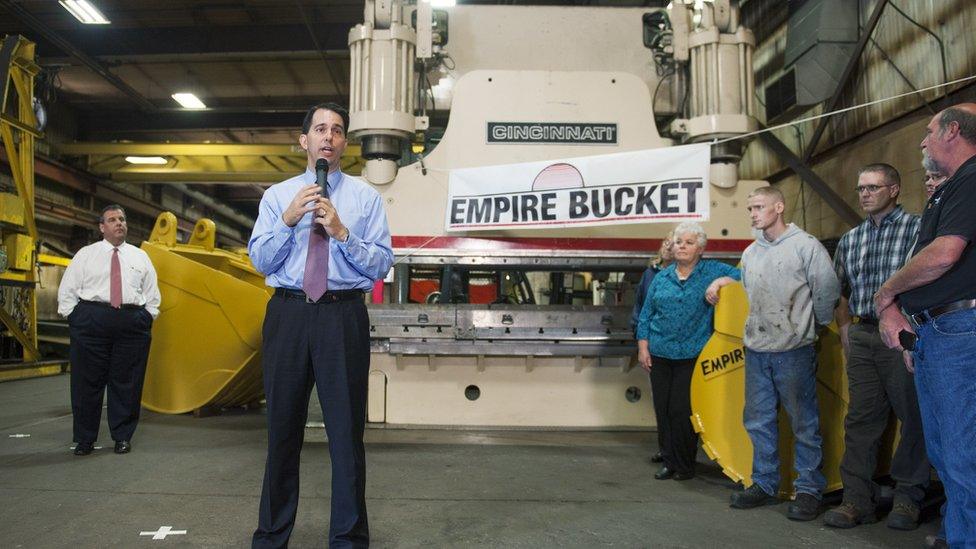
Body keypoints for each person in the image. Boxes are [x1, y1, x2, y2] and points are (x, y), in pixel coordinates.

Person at [249, 102, 393, 549]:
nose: (328, 136)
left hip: (341, 316)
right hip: (288, 314)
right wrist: (289, 219)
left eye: (337, 130)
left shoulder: (365, 199)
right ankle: (272, 537)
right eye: (319, 129)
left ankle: (348, 539)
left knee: (346, 437)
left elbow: (383, 265)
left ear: (344, 143)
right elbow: (260, 260)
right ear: (304, 141)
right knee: (283, 433)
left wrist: (344, 233)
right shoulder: (277, 197)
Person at [875, 103, 976, 547]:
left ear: (953, 131)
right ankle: (959, 534)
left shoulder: (972, 179)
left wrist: (886, 294)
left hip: (960, 330)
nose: (921, 142)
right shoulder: (953, 188)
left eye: (929, 132)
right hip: (939, 331)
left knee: (960, 454)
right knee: (946, 452)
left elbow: (943, 255)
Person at [825, 163, 928, 530]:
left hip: (902, 335)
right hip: (865, 335)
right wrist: (845, 331)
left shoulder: (918, 229)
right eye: (861, 188)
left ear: (895, 189)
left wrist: (912, 336)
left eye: (873, 187)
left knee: (912, 417)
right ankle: (857, 501)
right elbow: (840, 291)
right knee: (861, 420)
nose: (865, 194)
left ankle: (907, 499)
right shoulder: (851, 239)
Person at [729, 186, 840, 522]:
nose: (752, 214)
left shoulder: (805, 247)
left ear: (779, 206)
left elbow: (827, 291)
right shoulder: (751, 253)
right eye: (750, 208)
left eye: (759, 206)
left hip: (794, 351)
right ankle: (764, 483)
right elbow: (749, 291)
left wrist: (812, 328)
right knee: (758, 420)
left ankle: (808, 490)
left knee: (804, 423)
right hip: (757, 350)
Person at [636, 222, 739, 481]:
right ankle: (668, 462)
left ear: (701, 249)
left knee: (682, 411)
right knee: (663, 409)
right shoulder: (662, 276)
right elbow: (646, 315)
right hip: (660, 353)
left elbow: (748, 275)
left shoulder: (712, 271)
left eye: (689, 242)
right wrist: (643, 347)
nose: (681, 246)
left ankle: (684, 465)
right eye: (679, 241)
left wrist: (720, 282)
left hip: (693, 355)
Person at [57, 204, 160, 456]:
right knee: (86, 383)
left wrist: (146, 316)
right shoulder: (85, 255)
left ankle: (122, 436)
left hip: (131, 323)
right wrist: (76, 317)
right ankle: (84, 439)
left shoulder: (140, 256)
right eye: (112, 220)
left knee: (127, 383)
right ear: (102, 227)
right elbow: (68, 290)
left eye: (122, 219)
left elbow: (152, 294)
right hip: (92, 321)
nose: (119, 223)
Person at [630, 232, 674, 464]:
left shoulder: (687, 275)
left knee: (680, 404)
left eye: (673, 243)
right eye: (665, 243)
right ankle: (666, 449)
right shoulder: (651, 275)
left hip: (682, 347)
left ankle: (681, 450)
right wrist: (640, 340)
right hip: (655, 345)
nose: (668, 247)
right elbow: (641, 308)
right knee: (661, 401)